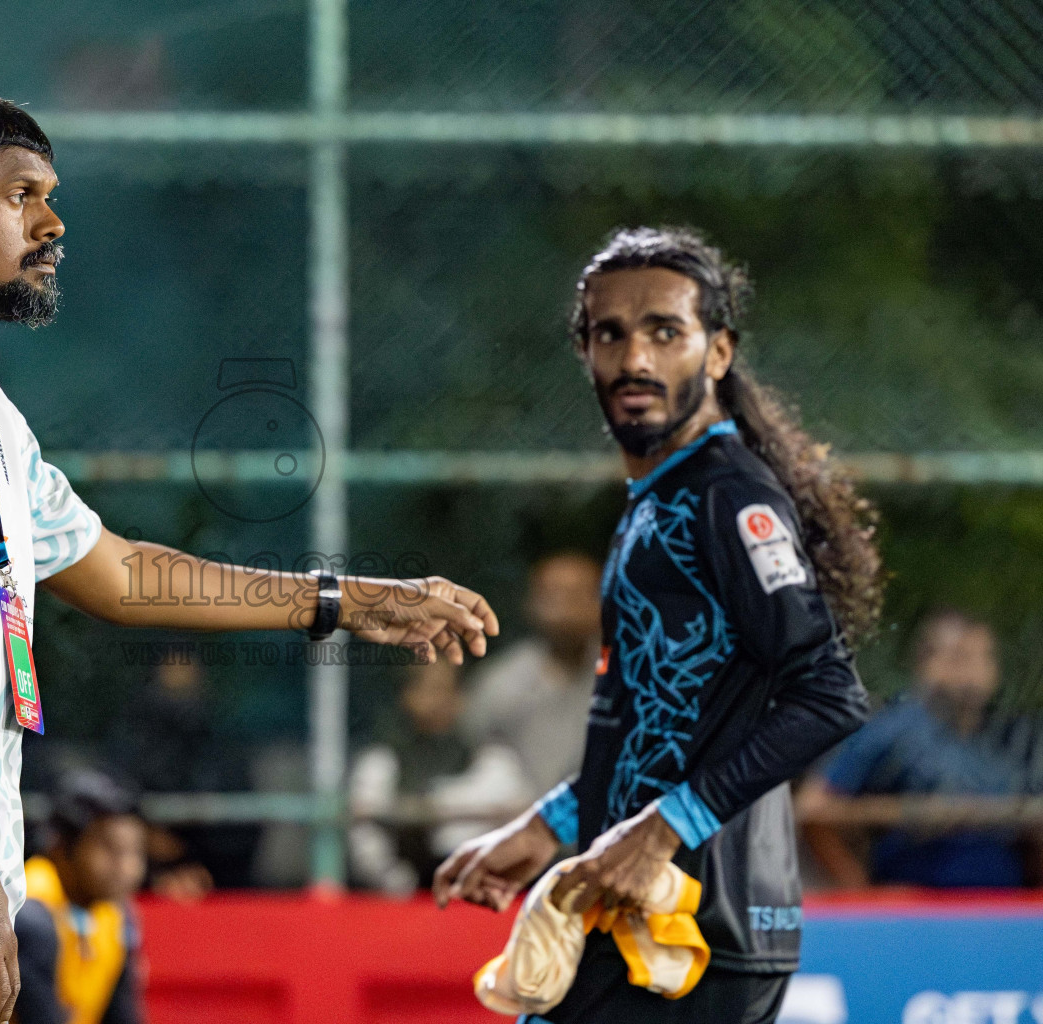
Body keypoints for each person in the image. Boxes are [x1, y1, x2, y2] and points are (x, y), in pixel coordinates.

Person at [0, 87, 498, 1024]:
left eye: (52, 196)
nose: (53, 223)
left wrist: (344, 600)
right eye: (21, 195)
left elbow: (123, 573)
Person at [434, 226, 883, 1024]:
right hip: (646, 914)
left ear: (717, 353)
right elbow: (667, 724)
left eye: (664, 332)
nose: (634, 359)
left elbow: (829, 695)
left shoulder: (728, 499)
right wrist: (554, 823)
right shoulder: (662, 499)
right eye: (611, 333)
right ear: (586, 352)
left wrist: (664, 828)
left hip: (695, 930)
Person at [800, 610, 1030, 887]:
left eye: (986, 657)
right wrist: (861, 894)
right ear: (927, 664)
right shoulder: (893, 730)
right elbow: (813, 809)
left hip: (1007, 909)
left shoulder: (1007, 736)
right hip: (919, 911)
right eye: (961, 657)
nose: (976, 672)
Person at [350, 658, 527, 895]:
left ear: (461, 696)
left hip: (476, 898)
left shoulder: (495, 764)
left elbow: (520, 835)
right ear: (407, 696)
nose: (438, 702)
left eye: (447, 690)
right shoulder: (379, 765)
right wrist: (400, 884)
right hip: (403, 901)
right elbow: (366, 841)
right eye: (427, 689)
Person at [462, 553, 603, 800]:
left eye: (578, 595)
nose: (565, 607)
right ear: (531, 603)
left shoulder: (629, 679)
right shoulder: (499, 683)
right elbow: (473, 762)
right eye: (553, 595)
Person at [105, 655, 250, 894]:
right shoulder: (131, 743)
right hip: (141, 881)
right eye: (168, 693)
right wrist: (146, 839)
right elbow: (110, 805)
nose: (177, 707)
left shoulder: (220, 750)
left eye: (186, 692)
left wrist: (193, 857)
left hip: (217, 880)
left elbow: (241, 832)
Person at [13, 773, 146, 1024]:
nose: (127, 868)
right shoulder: (28, 911)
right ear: (61, 845)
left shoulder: (116, 914)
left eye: (135, 851)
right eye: (110, 850)